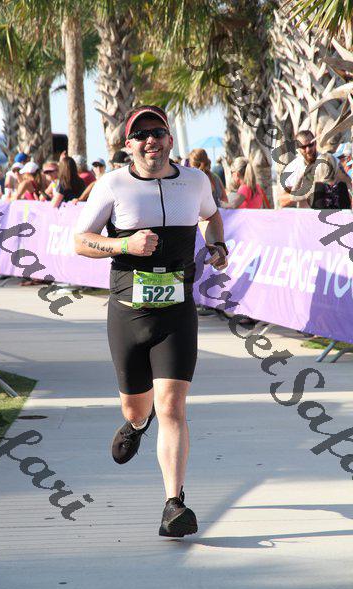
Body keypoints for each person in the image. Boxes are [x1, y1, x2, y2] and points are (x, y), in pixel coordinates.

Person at [74, 105, 228, 538]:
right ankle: (137, 424)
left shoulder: (195, 181)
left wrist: (217, 245)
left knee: (172, 406)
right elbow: (81, 241)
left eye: (157, 132)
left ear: (170, 140)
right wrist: (124, 244)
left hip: (177, 311)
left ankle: (174, 504)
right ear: (128, 145)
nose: (150, 141)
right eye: (140, 135)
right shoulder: (113, 185)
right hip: (129, 312)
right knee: (137, 406)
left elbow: (211, 216)